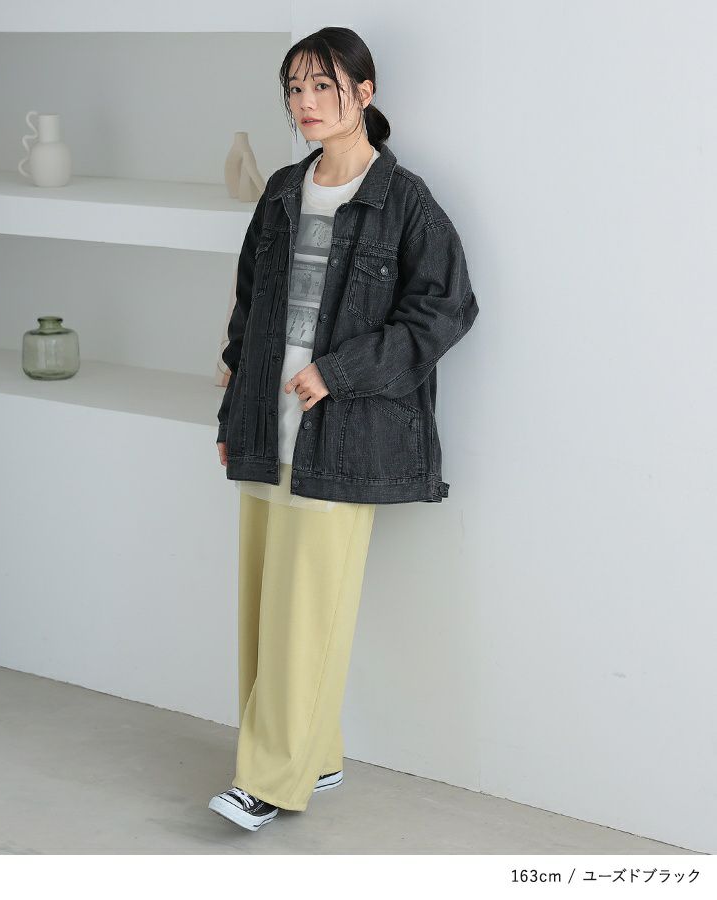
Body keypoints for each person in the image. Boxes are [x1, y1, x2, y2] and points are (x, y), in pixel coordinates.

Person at [210, 27, 478, 831]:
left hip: (344, 432)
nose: (305, 103)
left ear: (364, 92)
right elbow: (248, 311)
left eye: (322, 85)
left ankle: (269, 778)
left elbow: (446, 310)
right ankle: (314, 754)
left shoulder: (405, 201)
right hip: (269, 426)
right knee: (265, 608)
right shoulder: (282, 192)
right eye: (294, 88)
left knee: (306, 612)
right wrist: (234, 414)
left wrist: (340, 370)